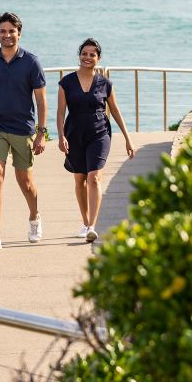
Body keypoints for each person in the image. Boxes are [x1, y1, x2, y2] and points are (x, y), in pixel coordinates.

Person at [0, 12, 47, 250]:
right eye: (2, 31)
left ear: (19, 33)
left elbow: (41, 101)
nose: (7, 35)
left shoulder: (31, 62)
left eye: (11, 31)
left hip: (23, 128)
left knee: (25, 181)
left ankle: (35, 217)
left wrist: (41, 133)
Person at [56, 38, 134, 243]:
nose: (87, 57)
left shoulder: (105, 83)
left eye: (92, 54)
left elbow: (115, 111)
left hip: (99, 133)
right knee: (80, 179)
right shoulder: (66, 82)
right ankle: (85, 221)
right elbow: (60, 111)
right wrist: (61, 136)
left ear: (98, 59)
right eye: (84, 53)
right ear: (79, 55)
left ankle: (92, 225)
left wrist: (127, 138)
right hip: (74, 134)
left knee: (94, 177)